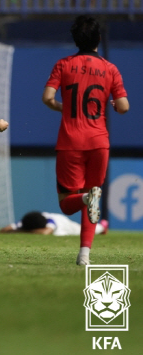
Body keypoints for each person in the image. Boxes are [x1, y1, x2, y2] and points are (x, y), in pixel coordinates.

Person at [42, 15, 128, 265]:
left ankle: (86, 200)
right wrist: (112, 103)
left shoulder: (63, 64)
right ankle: (84, 255)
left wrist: (65, 107)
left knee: (68, 205)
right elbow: (123, 106)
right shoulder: (110, 69)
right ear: (98, 39)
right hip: (99, 142)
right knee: (94, 195)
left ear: (75, 39)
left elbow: (47, 98)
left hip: (70, 141)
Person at [0, 211, 108, 236]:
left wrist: (21, 231)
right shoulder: (28, 221)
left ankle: (102, 226)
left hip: (64, 224)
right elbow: (3, 230)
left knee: (83, 230)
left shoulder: (51, 222)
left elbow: (45, 233)